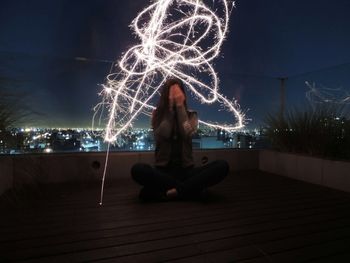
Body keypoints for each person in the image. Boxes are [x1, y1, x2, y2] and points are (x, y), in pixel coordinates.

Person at [131, 78, 229, 201]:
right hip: (163, 171)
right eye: (172, 93)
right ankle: (190, 190)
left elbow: (186, 132)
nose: (175, 96)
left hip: (187, 171)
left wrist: (180, 106)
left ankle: (170, 191)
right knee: (137, 170)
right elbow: (163, 134)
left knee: (222, 166)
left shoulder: (192, 115)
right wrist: (171, 110)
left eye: (178, 93)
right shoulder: (157, 114)